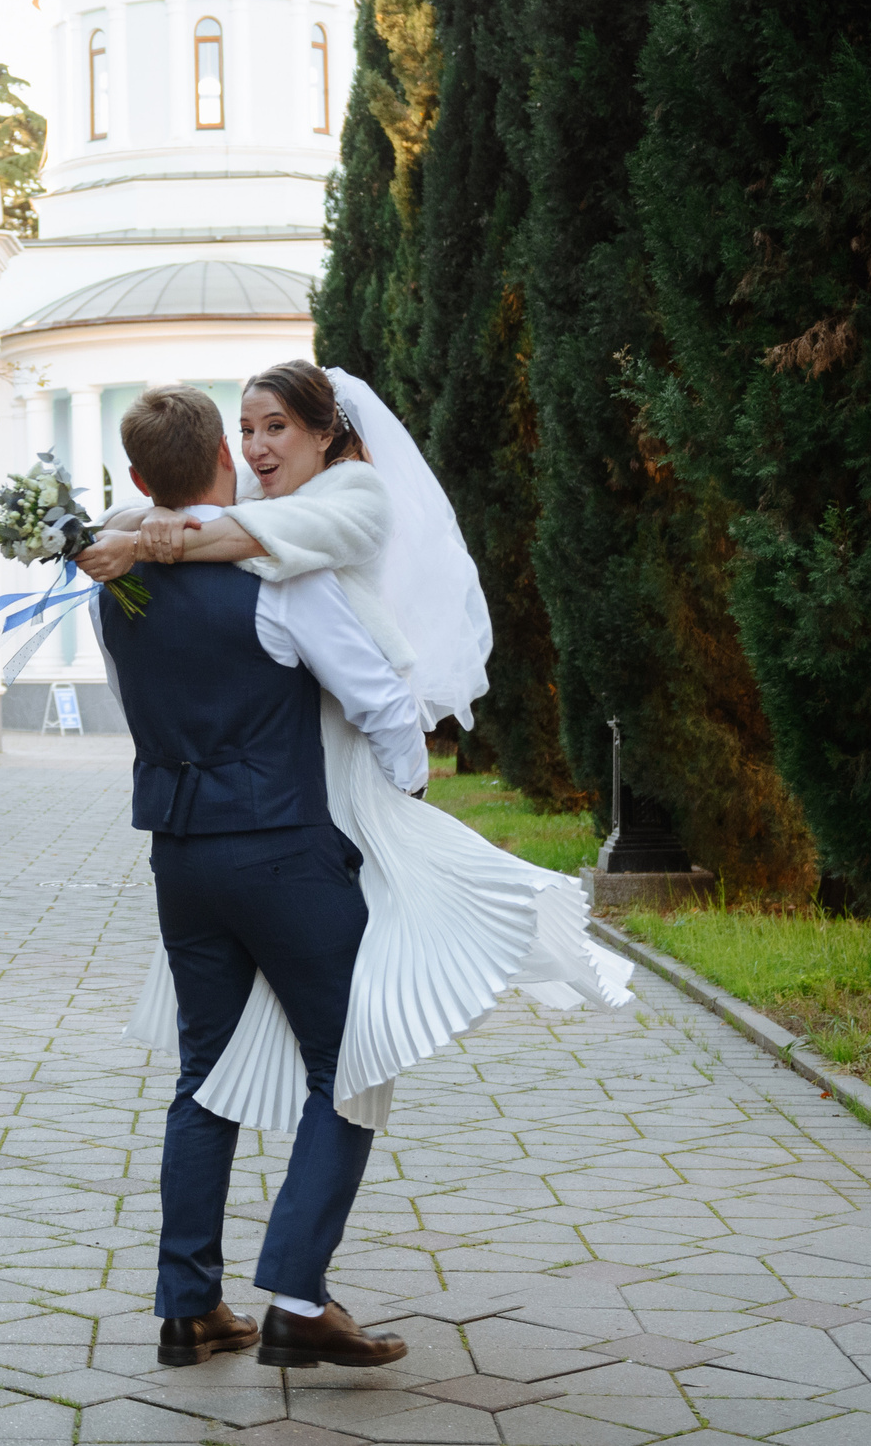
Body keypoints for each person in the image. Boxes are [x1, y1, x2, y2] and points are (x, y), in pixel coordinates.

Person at [84, 365, 631, 1141]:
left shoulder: (353, 496)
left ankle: (250, 1251)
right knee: (327, 1055)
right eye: (245, 430)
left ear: (325, 431)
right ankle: (295, 1256)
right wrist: (142, 529)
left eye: (276, 426)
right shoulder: (248, 510)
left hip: (334, 772)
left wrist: (144, 540)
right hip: (284, 796)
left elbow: (242, 535)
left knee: (358, 1018)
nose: (258, 445)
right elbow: (181, 508)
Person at [96, 382, 423, 1372]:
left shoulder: (118, 585)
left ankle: (188, 1306)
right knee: (352, 1064)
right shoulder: (280, 576)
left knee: (205, 1076)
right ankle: (295, 1293)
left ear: (142, 479)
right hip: (284, 848)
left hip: (178, 855)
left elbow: (136, 703)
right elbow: (381, 703)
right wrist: (401, 812)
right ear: (227, 466)